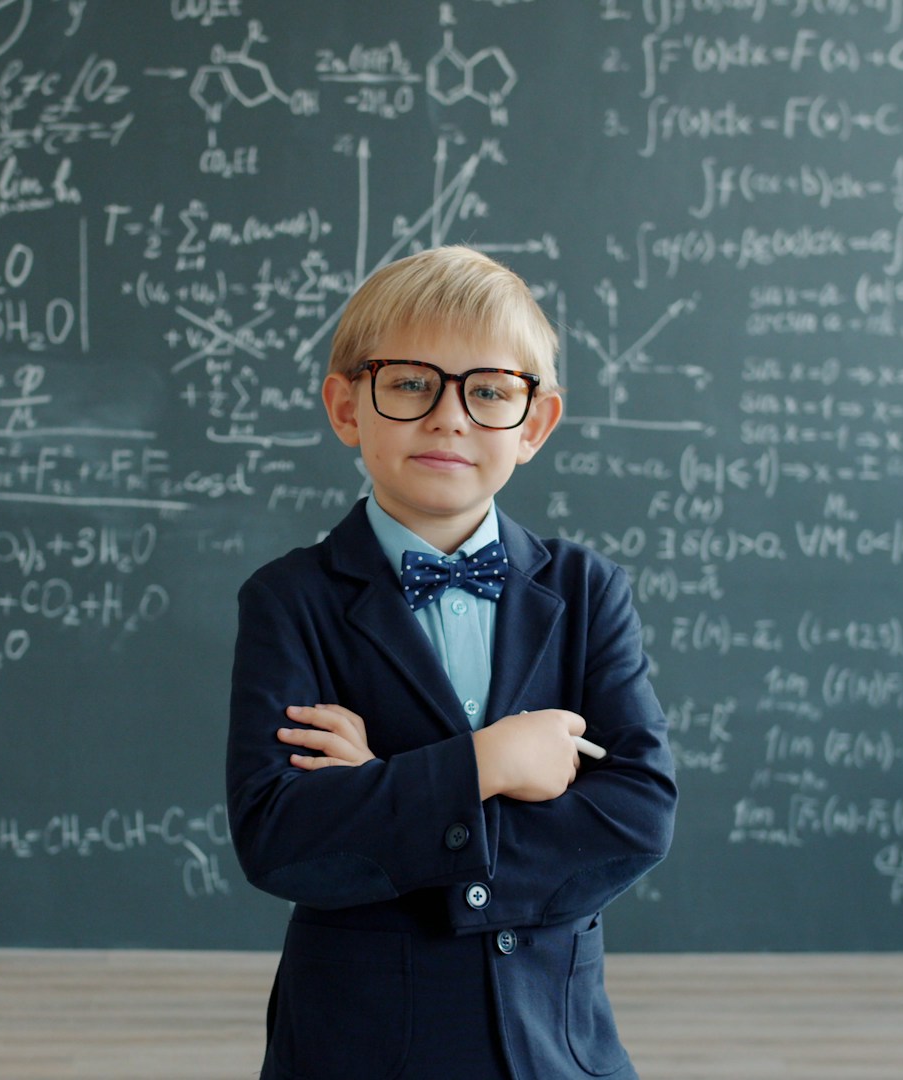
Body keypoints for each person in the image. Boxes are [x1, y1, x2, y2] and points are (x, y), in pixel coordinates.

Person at [226, 245, 678, 1080]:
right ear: (346, 406)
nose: (449, 418)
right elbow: (281, 839)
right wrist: (485, 763)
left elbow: (636, 816)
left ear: (534, 423)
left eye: (490, 392)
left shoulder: (588, 592)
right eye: (408, 383)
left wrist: (385, 793)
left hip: (557, 1048)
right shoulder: (288, 601)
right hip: (357, 1049)